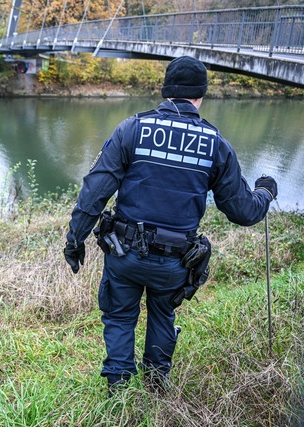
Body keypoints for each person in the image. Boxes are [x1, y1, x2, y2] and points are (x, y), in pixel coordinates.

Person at [63, 56, 278, 396]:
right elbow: (243, 211)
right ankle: (155, 385)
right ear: (200, 95)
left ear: (165, 91)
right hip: (176, 261)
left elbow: (94, 193)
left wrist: (74, 241)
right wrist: (265, 192)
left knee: (120, 316)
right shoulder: (216, 145)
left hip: (125, 254)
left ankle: (118, 390)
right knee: (162, 317)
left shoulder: (132, 129)